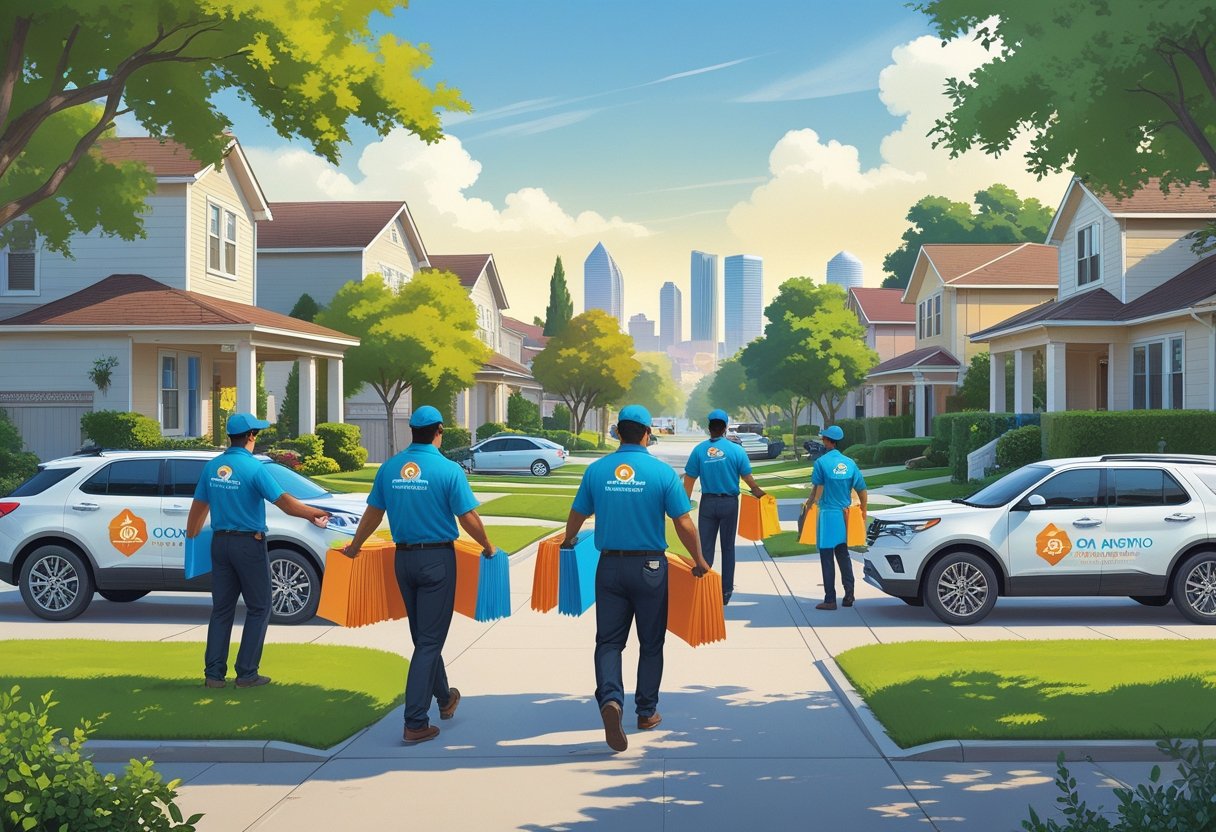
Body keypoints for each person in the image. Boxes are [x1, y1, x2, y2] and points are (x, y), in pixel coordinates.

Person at [562, 404, 712, 753]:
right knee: (651, 642)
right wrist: (699, 560)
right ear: (647, 433)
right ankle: (646, 712)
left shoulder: (597, 471)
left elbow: (577, 513)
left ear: (617, 432)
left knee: (609, 642)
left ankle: (611, 700)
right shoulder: (662, 473)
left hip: (609, 566)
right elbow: (683, 522)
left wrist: (568, 540)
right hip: (650, 568)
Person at [343, 405, 495, 745]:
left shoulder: (390, 468)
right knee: (429, 641)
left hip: (404, 561)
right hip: (437, 561)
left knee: (424, 637)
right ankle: (415, 722)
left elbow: (373, 513)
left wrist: (355, 546)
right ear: (439, 431)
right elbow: (467, 517)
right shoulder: (448, 470)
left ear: (412, 431)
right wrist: (487, 545)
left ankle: (445, 697)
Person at [186, 413, 331, 689]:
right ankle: (246, 673)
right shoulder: (254, 468)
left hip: (220, 544)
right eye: (256, 434)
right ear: (251, 436)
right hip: (248, 544)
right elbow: (285, 503)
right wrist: (313, 513)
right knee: (259, 607)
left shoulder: (212, 467)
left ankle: (213, 675)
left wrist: (192, 536)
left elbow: (198, 510)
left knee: (222, 610)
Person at [682, 409, 766, 605]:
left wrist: (684, 504)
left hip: (708, 504)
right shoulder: (736, 450)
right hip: (729, 503)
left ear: (709, 427)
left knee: (705, 549)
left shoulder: (699, 450)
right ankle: (725, 592)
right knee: (728, 548)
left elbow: (689, 480)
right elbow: (747, 477)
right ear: (725, 428)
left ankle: (704, 589)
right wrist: (757, 491)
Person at [805, 425, 867, 611]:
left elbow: (817, 490)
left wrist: (809, 506)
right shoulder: (849, 463)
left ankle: (830, 599)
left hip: (827, 515)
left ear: (826, 440)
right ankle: (849, 595)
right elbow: (862, 489)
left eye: (823, 438)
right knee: (843, 555)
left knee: (826, 558)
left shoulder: (821, 463)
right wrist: (863, 509)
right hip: (844, 515)